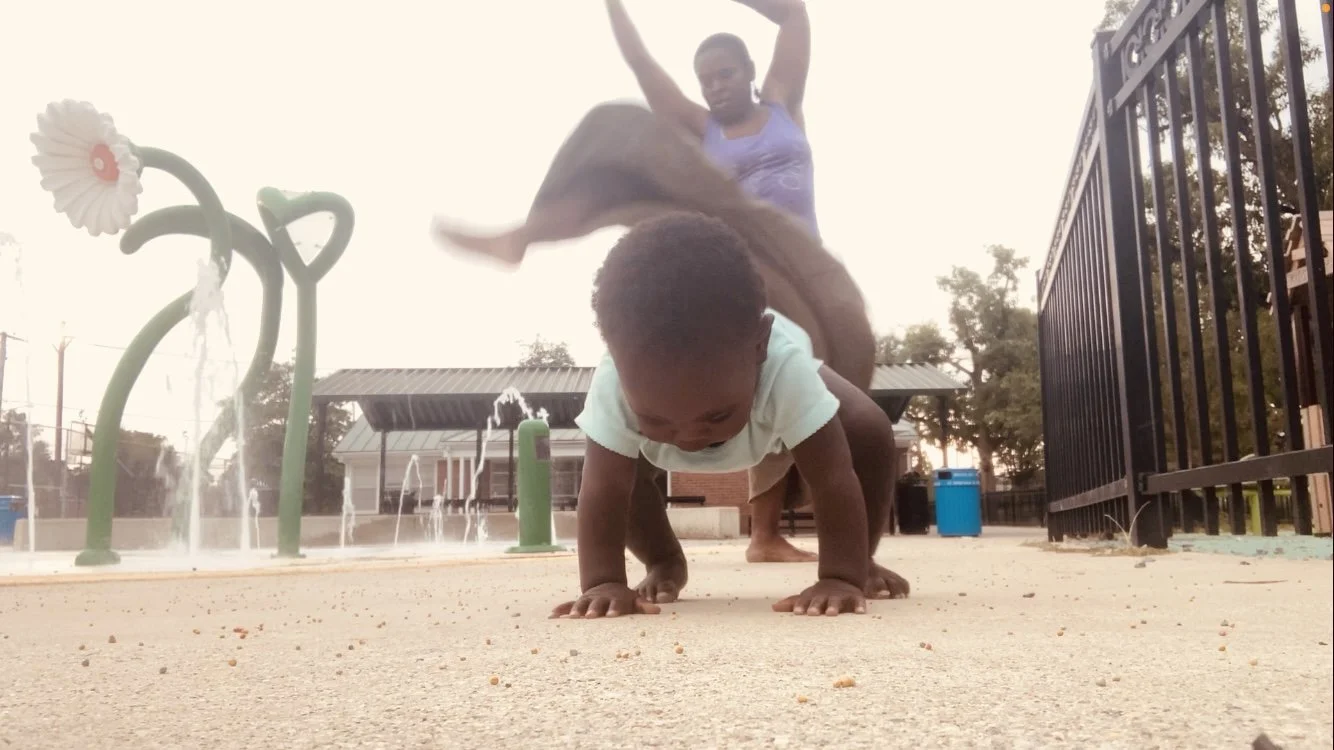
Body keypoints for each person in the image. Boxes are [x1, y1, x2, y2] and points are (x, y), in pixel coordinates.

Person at [436, 0, 845, 566]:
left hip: (798, 262)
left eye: (726, 73)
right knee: (734, 382)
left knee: (793, 384)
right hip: (735, 272)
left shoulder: (782, 105)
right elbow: (644, 68)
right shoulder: (703, 128)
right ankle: (526, 234)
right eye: (706, 80)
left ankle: (773, 534)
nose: (716, 86)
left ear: (751, 72)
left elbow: (795, 16)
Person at [549, 212, 904, 618]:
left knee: (868, 426)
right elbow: (603, 490)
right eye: (658, 420)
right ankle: (664, 561)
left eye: (716, 416)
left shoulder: (782, 368)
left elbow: (832, 478)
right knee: (619, 474)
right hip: (651, 439)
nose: (689, 439)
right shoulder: (615, 381)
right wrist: (603, 582)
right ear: (615, 359)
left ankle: (860, 561)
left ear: (759, 346)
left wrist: (841, 576)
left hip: (777, 369)